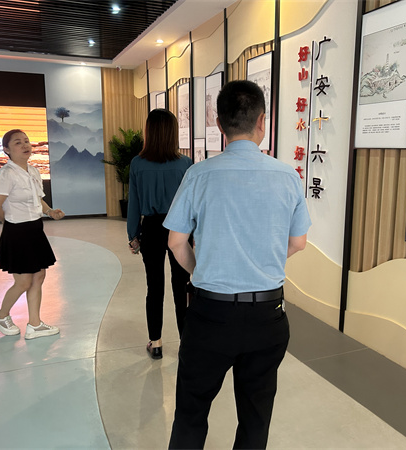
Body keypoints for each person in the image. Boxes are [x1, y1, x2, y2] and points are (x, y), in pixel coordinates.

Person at [164, 80, 311, 449]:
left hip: (210, 315)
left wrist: (202, 270)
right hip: (267, 316)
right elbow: (298, 242)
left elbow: (176, 242)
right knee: (255, 419)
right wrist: (263, 261)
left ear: (219, 124)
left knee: (191, 413)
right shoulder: (287, 177)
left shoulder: (198, 174)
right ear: (262, 121)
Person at [127, 109, 193, 360]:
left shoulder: (138, 164)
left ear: (149, 132)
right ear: (173, 133)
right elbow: (191, 204)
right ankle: (186, 343)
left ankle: (155, 343)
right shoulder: (185, 164)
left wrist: (133, 234)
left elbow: (134, 203)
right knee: (181, 286)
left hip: (152, 228)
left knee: (154, 286)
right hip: (180, 228)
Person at [0, 129, 65, 340]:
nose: (25, 145)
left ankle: (35, 324)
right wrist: (8, 222)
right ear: (6, 150)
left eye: (27, 141)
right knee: (23, 281)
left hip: (35, 229)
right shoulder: (7, 174)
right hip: (17, 232)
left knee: (38, 276)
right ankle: (1, 317)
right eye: (18, 143)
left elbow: (37, 200)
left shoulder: (33, 171)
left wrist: (50, 211)